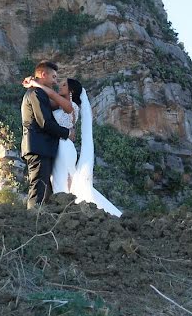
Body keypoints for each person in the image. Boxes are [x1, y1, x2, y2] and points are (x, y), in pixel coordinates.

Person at [23, 76, 123, 216]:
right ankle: (66, 208)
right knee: (60, 178)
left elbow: (50, 94)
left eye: (63, 85)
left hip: (64, 147)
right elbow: (44, 100)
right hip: (58, 146)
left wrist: (35, 83)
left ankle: (67, 209)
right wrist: (36, 82)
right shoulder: (59, 104)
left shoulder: (71, 106)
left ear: (71, 91)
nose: (59, 86)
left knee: (64, 178)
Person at [20, 61, 72, 209]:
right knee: (38, 191)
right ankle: (33, 223)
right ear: (43, 74)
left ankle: (40, 222)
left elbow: (59, 105)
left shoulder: (38, 92)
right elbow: (44, 122)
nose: (56, 81)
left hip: (41, 147)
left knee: (44, 191)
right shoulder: (36, 93)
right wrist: (67, 132)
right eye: (54, 77)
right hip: (38, 147)